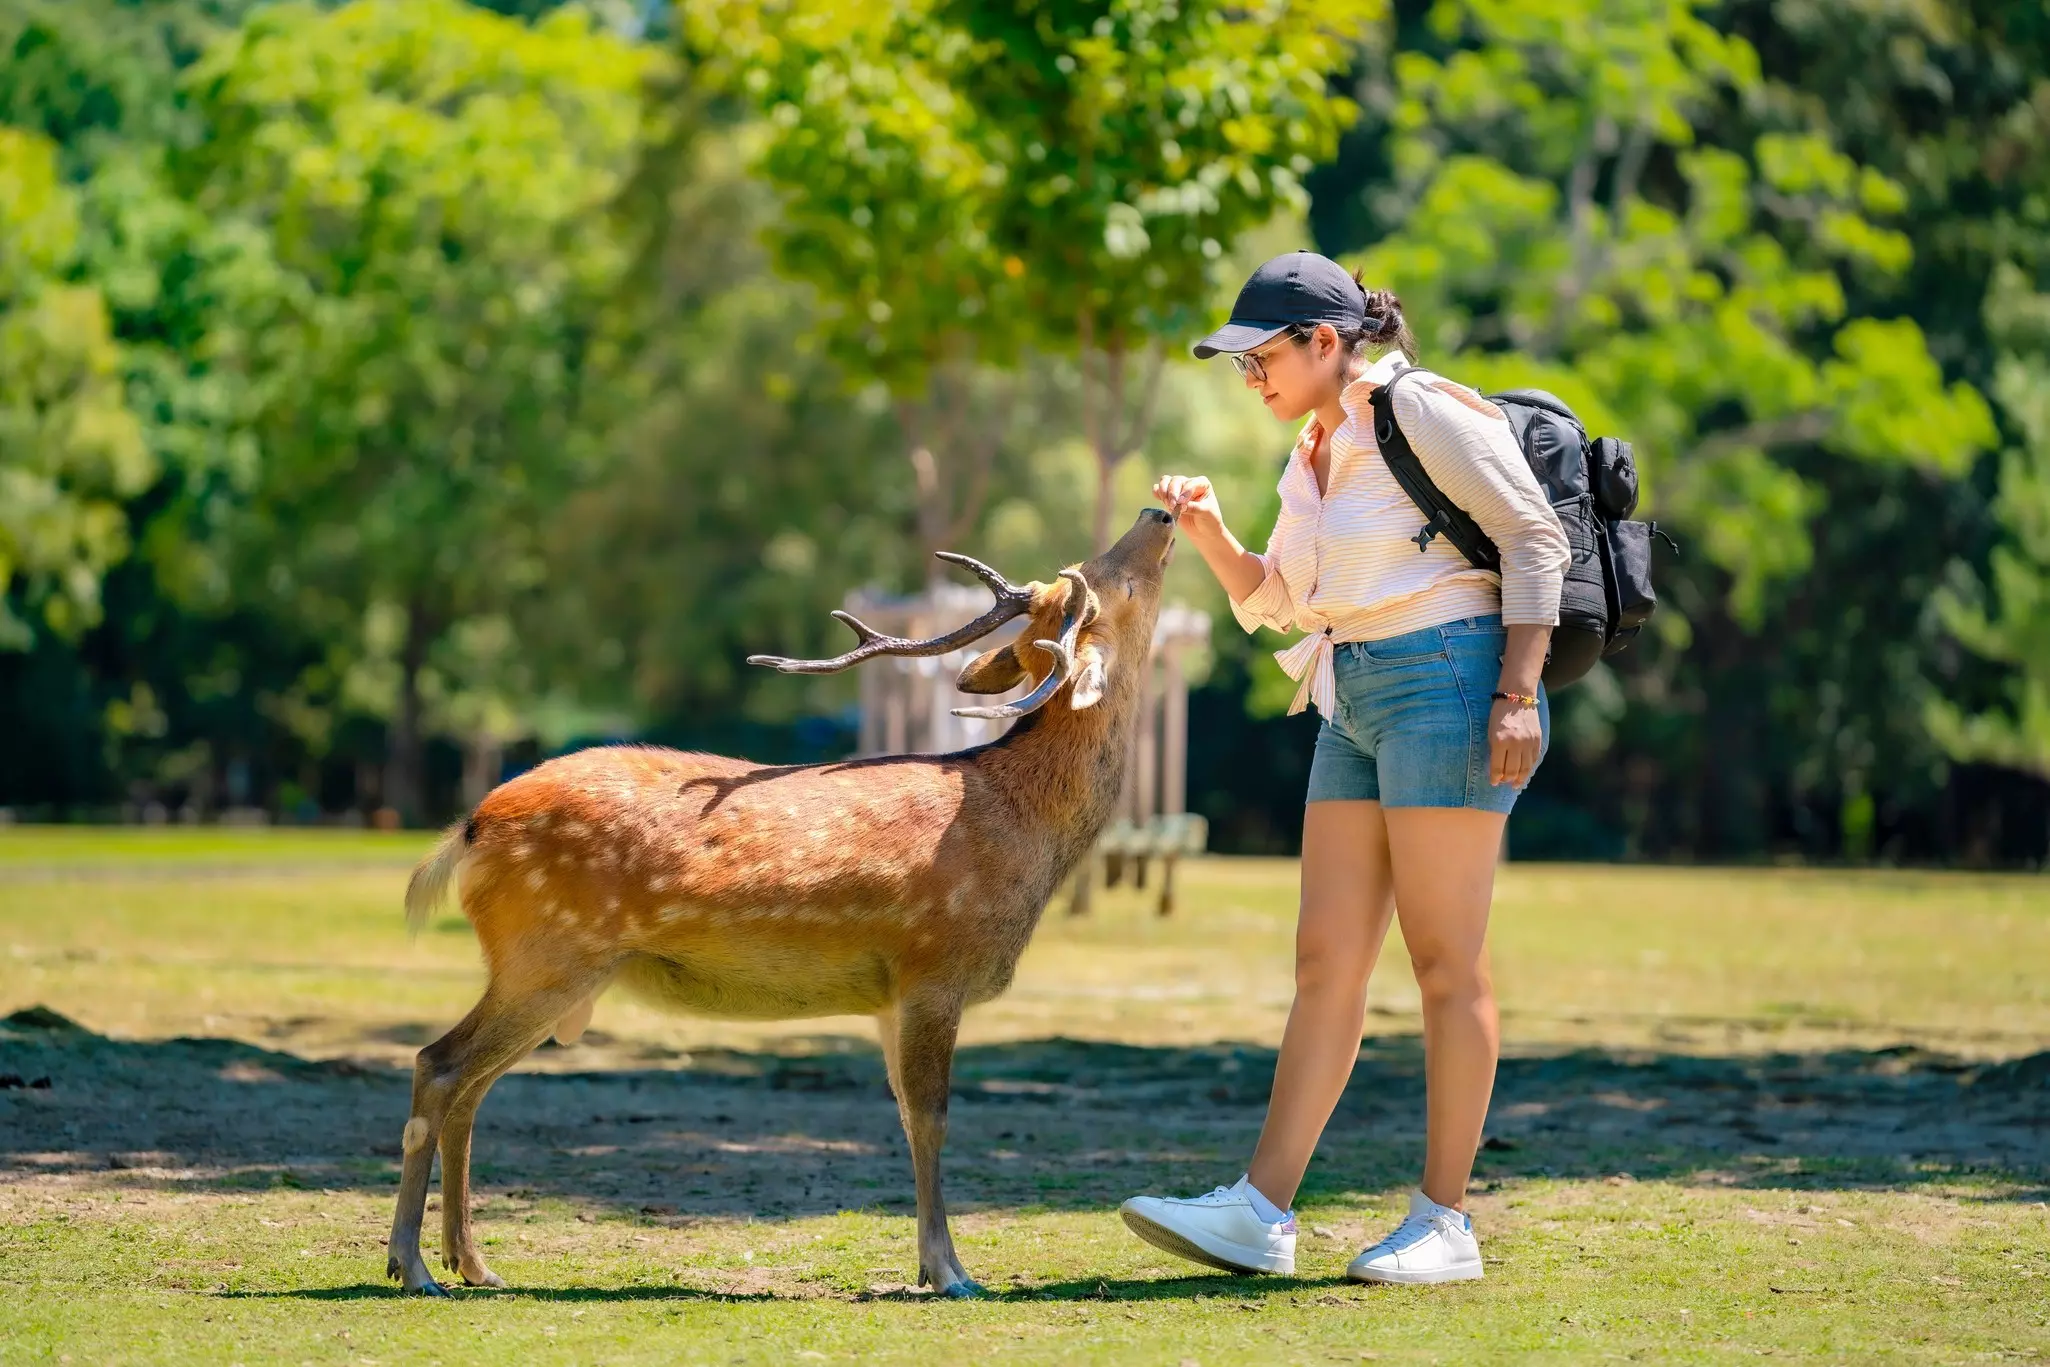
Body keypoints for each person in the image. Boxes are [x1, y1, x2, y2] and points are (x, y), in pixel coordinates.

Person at [1120, 251, 1570, 1285]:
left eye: (1262, 358)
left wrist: (1514, 693)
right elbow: (1279, 598)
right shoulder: (1311, 447)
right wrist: (1211, 532)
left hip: (1452, 682)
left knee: (1445, 964)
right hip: (1349, 689)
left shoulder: (1424, 411)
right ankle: (1261, 1211)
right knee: (1325, 961)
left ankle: (1446, 1220)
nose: (1252, 380)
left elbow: (1533, 537)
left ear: (1327, 343)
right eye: (1240, 367)